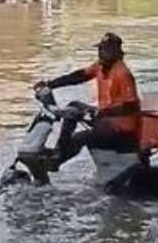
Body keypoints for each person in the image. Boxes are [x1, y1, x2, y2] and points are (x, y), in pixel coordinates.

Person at [35, 33, 140, 167]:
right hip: (106, 119)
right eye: (100, 49)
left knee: (81, 137)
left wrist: (102, 113)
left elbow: (131, 106)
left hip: (120, 129)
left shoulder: (123, 73)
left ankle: (56, 162)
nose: (101, 53)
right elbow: (78, 76)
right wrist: (50, 84)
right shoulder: (100, 66)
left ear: (116, 52)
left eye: (105, 50)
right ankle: (60, 150)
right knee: (73, 107)